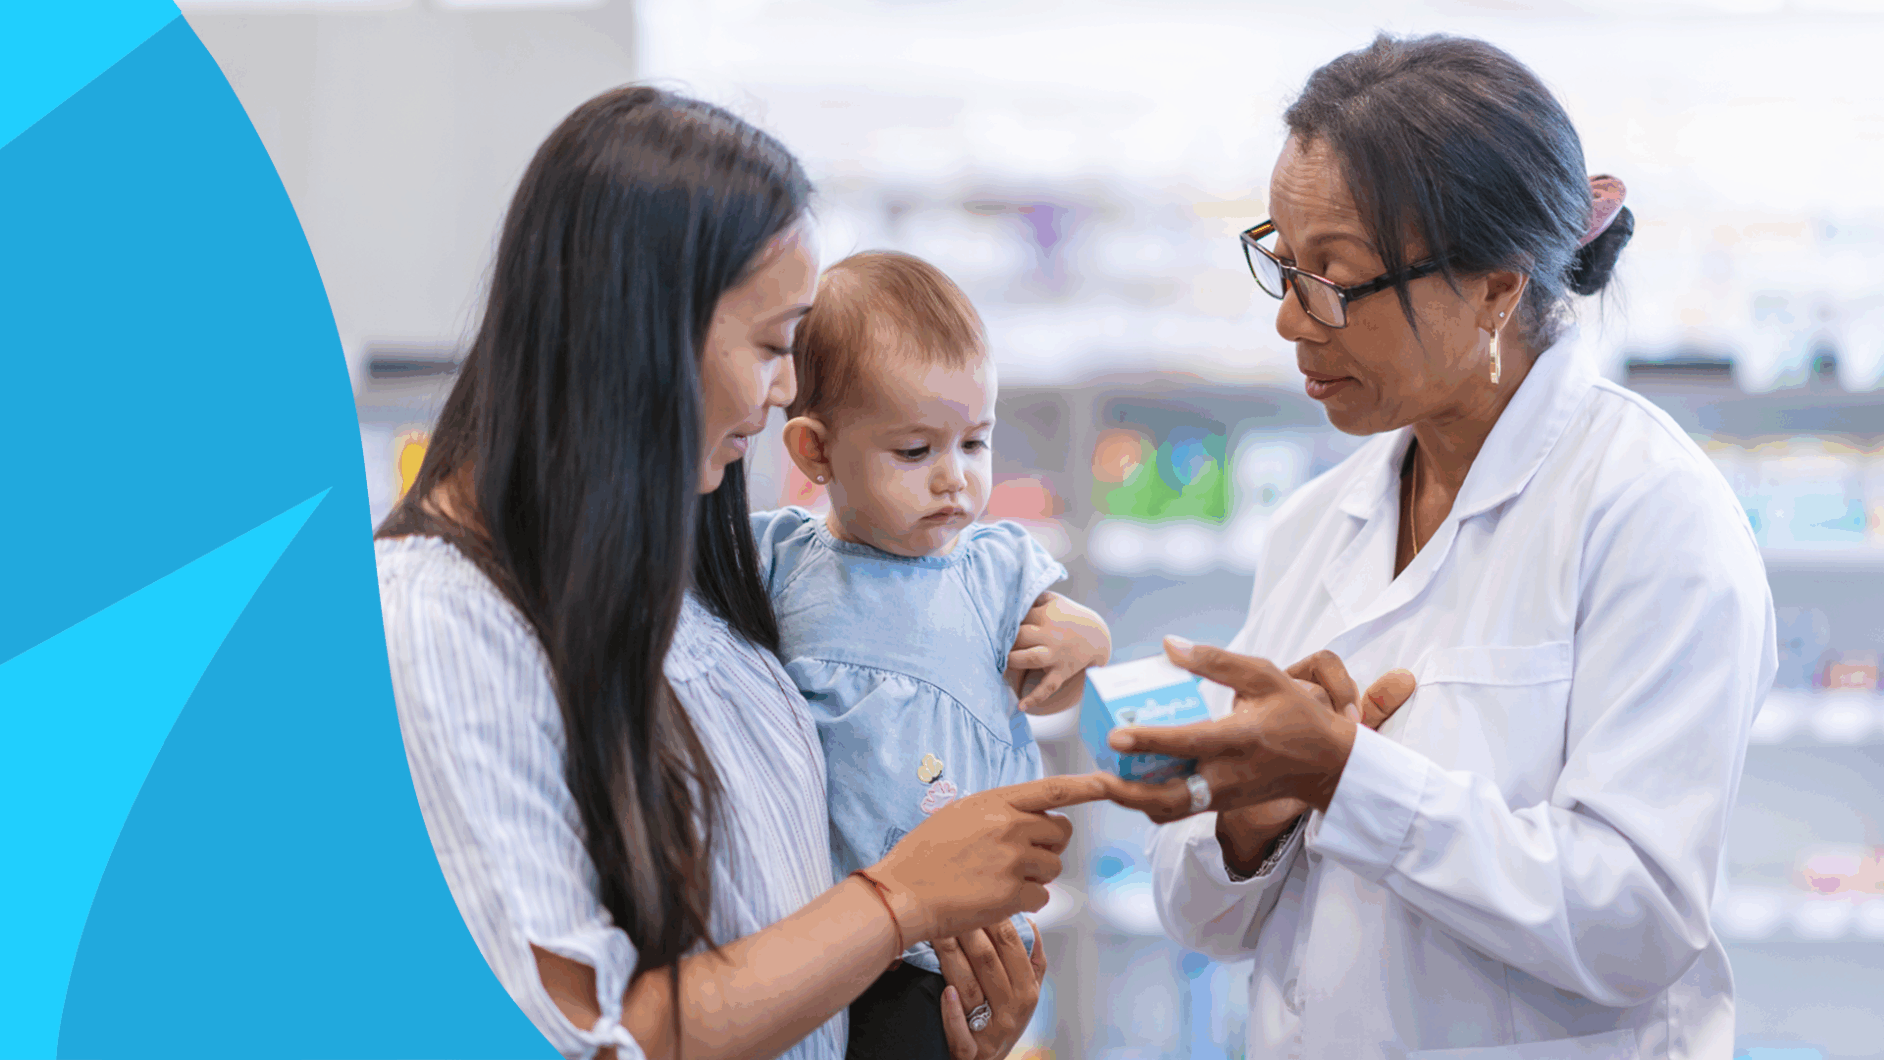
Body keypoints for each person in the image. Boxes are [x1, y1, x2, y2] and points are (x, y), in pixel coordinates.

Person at [373, 86, 1110, 1060]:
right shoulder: (440, 624)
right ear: (643, 330)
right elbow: (583, 1037)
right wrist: (899, 899)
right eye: (772, 344)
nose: (789, 390)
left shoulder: (693, 591)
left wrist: (944, 1027)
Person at [1100, 34, 1776, 1059]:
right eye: (1282, 262)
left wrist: (1348, 778)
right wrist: (1250, 818)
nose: (1291, 320)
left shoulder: (1651, 513)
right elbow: (1202, 919)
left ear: (1497, 291)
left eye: (1334, 278)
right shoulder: (1317, 524)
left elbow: (1637, 919)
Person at [750, 250, 1114, 1059]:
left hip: (952, 946)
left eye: (975, 445)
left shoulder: (996, 571)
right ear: (814, 453)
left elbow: (1050, 686)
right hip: (820, 932)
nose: (954, 481)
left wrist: (1086, 640)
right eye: (914, 453)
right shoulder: (779, 561)